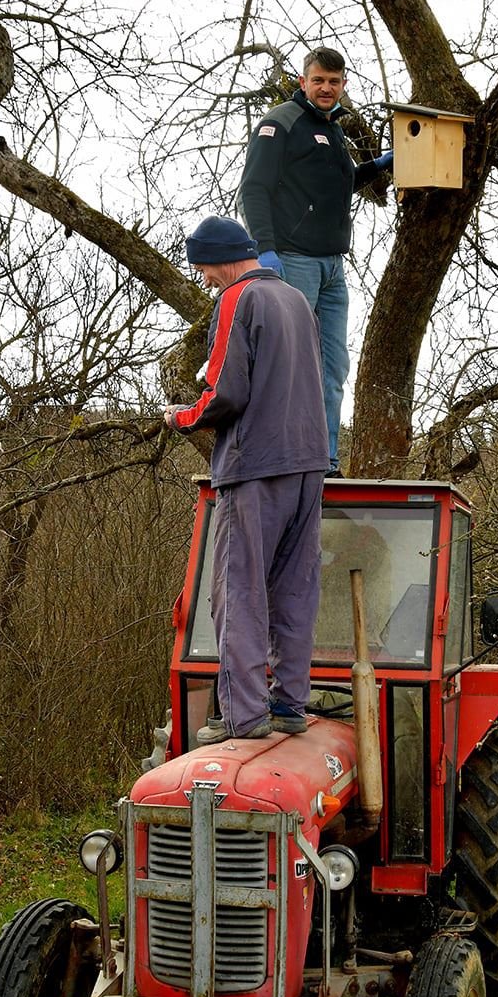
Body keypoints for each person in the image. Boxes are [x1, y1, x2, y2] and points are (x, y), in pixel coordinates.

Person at [164, 216, 329, 741]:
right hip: (308, 463)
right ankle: (288, 707)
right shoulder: (297, 301)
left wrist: (181, 417)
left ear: (218, 258)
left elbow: (224, 391)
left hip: (254, 466)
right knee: (294, 590)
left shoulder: (238, 299)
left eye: (203, 269)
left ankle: (246, 718)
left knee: (238, 594)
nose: (205, 279)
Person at [237, 46, 393, 475]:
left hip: (332, 266)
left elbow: (340, 185)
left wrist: (377, 166)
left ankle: (323, 459)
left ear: (343, 85)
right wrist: (264, 249)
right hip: (292, 258)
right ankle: (283, 454)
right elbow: (253, 189)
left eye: (335, 81)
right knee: (290, 359)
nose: (326, 88)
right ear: (303, 82)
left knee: (332, 365)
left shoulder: (334, 131)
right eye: (319, 80)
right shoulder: (280, 122)